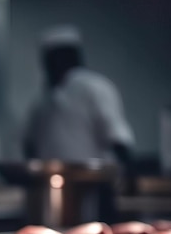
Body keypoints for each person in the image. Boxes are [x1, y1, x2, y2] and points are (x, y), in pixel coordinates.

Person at [22, 25, 135, 169]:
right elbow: (29, 144)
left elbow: (117, 137)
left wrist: (128, 176)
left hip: (93, 181)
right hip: (53, 182)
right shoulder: (43, 102)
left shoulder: (94, 88)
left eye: (51, 60)